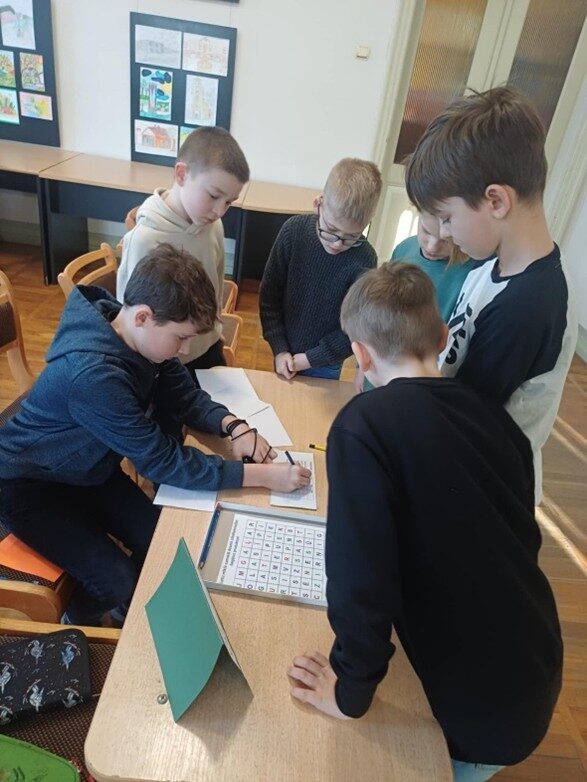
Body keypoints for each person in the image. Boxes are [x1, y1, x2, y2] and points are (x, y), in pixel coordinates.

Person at [288, 262, 562, 782]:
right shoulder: (497, 419)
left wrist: (350, 690)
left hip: (471, 715)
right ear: (441, 338)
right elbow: (516, 536)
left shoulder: (362, 426)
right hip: (535, 670)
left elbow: (359, 580)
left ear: (360, 355)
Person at [0, 244, 310, 627]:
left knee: (160, 539)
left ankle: (125, 603)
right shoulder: (94, 376)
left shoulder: (139, 338)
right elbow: (162, 462)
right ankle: (78, 619)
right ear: (144, 316)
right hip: (31, 488)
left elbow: (185, 396)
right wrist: (262, 477)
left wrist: (235, 426)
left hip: (86, 469)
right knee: (116, 578)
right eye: (181, 338)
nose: (185, 350)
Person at [404, 85, 577, 501]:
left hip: (484, 491)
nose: (445, 233)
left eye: (447, 218)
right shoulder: (490, 265)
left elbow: (465, 419)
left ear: (496, 201)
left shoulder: (528, 307)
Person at [117, 126, 250, 371]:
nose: (220, 211)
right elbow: (130, 318)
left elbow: (216, 284)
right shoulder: (145, 239)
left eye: (229, 202)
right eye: (213, 196)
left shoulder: (213, 225)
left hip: (207, 348)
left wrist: (215, 329)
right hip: (164, 363)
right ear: (181, 174)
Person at [259, 158, 382, 380]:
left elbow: (355, 327)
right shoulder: (293, 233)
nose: (337, 244)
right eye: (331, 230)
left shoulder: (365, 258)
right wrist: (279, 348)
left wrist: (310, 359)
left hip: (327, 362)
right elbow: (269, 297)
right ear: (317, 205)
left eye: (351, 237)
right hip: (283, 352)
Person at [358, 211, 477, 391]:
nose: (432, 246)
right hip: (381, 363)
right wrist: (363, 368)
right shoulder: (404, 248)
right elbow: (378, 310)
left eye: (446, 240)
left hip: (425, 378)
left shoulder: (472, 271)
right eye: (426, 231)